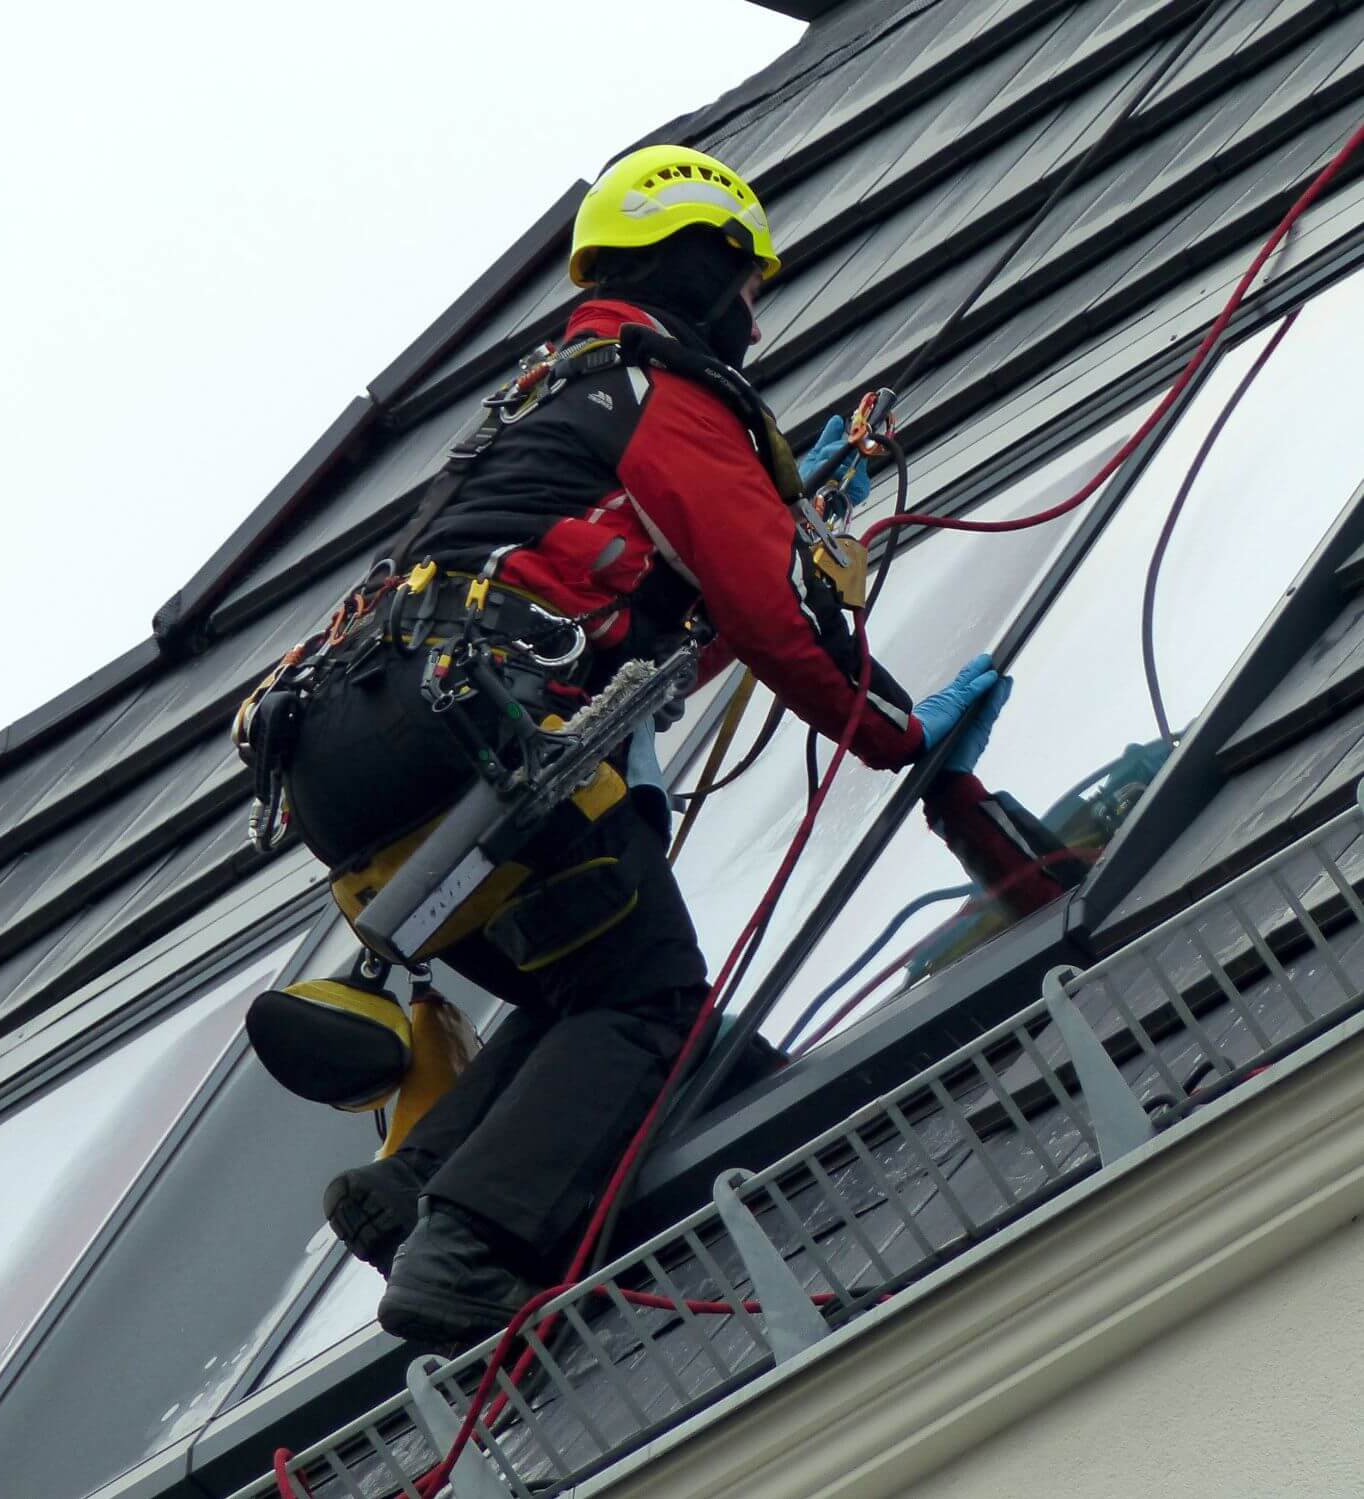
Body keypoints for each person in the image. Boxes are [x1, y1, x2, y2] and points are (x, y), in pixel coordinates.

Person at [251, 144, 1039, 1349]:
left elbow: (654, 623)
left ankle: (411, 1190)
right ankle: (467, 1255)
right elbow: (777, 610)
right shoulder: (668, 394)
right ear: (710, 267)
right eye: (749, 284)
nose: (756, 317)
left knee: (598, 989)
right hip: (470, 732)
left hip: (355, 756)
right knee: (659, 1000)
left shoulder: (547, 401)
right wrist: (893, 731)